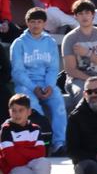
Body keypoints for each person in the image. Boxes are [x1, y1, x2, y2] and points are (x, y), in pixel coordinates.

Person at [12, 8, 67, 149]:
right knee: (34, 107)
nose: (36, 25)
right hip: (25, 85)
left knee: (59, 104)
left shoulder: (50, 42)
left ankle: (59, 143)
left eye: (39, 22)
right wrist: (34, 88)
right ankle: (41, 142)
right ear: (27, 23)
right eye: (32, 22)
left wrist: (49, 85)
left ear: (44, 23)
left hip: (46, 83)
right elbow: (18, 72)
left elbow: (53, 68)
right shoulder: (19, 43)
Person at [1, 95, 52, 174]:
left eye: (21, 110)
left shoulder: (36, 128)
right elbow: (12, 159)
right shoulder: (6, 129)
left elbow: (41, 153)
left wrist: (19, 149)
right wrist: (30, 152)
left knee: (44, 163)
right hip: (14, 171)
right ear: (9, 112)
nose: (17, 114)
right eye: (13, 110)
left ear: (29, 112)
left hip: (31, 167)